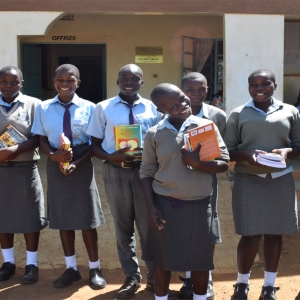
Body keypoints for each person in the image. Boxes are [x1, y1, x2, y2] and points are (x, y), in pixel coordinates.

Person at [140, 83, 229, 300]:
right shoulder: (155, 133)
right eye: (173, 105)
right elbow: (146, 171)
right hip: (165, 204)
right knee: (163, 259)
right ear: (161, 110)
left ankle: (199, 297)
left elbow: (224, 163)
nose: (182, 105)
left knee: (199, 259)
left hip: (199, 203)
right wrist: (151, 208)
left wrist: (197, 163)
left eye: (182, 98)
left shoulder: (205, 127)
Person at [86, 64, 162, 299]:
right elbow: (94, 145)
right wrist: (111, 156)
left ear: (142, 82)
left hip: (146, 173)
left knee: (149, 225)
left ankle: (153, 275)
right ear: (117, 81)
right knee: (122, 226)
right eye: (124, 78)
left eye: (135, 78)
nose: (129, 81)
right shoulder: (103, 108)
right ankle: (131, 275)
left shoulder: (153, 108)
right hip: (115, 171)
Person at [224, 69, 300, 300]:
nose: (259, 88)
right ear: (248, 87)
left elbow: (299, 145)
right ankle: (241, 284)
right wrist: (246, 155)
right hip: (248, 180)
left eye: (265, 83)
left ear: (275, 85)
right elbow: (227, 151)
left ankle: (268, 286)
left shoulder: (290, 111)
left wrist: (288, 151)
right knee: (250, 235)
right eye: (253, 84)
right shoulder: (238, 114)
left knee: (275, 234)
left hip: (280, 180)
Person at [31, 64, 106, 290]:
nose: (65, 83)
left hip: (81, 162)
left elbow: (95, 144)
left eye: (70, 79)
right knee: (63, 217)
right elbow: (41, 137)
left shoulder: (91, 108)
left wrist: (75, 163)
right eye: (60, 79)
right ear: (54, 81)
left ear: (78, 83)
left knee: (87, 218)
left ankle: (95, 268)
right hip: (56, 163)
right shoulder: (43, 108)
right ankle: (71, 268)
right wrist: (53, 156)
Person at [179, 72, 227, 300]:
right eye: (190, 89)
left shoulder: (217, 116)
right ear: (182, 90)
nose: (196, 94)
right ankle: (188, 278)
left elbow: (223, 154)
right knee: (185, 229)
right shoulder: (174, 114)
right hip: (179, 183)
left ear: (208, 89)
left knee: (207, 229)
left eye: (201, 89)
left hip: (206, 180)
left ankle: (205, 279)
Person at [0, 66, 47, 284]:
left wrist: (13, 151)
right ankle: (8, 263)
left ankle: (31, 264)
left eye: (14, 82)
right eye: (4, 82)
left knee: (30, 217)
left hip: (25, 168)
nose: (9, 86)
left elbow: (39, 137)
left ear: (22, 83)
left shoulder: (34, 104)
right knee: (3, 218)